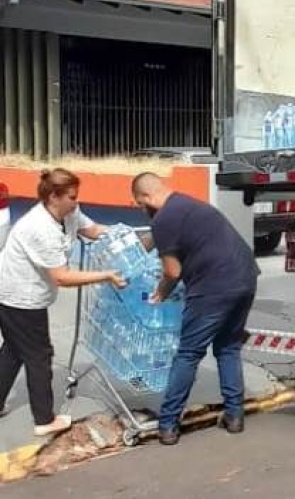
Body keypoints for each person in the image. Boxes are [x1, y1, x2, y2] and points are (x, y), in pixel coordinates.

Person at [132, 173, 258, 446]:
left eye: (139, 205)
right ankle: (234, 416)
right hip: (246, 278)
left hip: (213, 287)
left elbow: (172, 270)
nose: (141, 210)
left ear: (145, 197)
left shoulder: (164, 218)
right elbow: (163, 238)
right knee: (228, 348)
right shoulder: (189, 205)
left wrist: (160, 294)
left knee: (188, 353)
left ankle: (167, 424)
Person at [0, 169, 125, 437]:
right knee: (39, 355)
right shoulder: (39, 228)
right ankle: (44, 419)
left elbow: (92, 230)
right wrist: (106, 275)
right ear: (54, 197)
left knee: (13, 349)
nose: (76, 202)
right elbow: (63, 277)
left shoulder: (69, 213)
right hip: (19, 297)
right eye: (71, 197)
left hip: (21, 293)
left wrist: (124, 236)